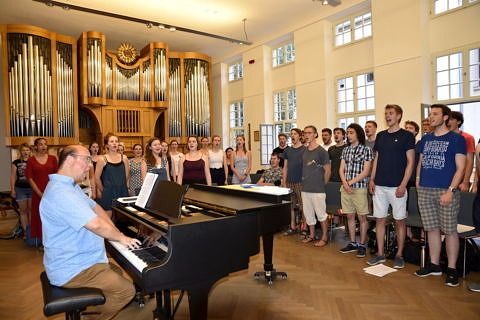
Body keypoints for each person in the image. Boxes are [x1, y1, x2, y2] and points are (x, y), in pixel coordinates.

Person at [40, 144, 140, 320]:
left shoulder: (70, 186)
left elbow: (96, 207)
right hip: (72, 268)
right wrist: (122, 238)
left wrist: (116, 232)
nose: (90, 165)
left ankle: (95, 308)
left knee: (115, 272)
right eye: (86, 160)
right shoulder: (60, 192)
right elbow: (95, 225)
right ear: (70, 159)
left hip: (83, 259)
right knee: (126, 291)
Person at [414, 104, 466, 287]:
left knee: (450, 231)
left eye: (435, 114)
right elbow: (420, 162)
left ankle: (452, 269)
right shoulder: (426, 138)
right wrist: (418, 180)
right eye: (430, 114)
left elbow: (461, 168)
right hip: (426, 189)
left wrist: (451, 190)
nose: (430, 117)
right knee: (431, 229)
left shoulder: (456, 139)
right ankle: (434, 265)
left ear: (445, 117)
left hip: (446, 191)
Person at [367, 105, 415, 268]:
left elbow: (410, 162)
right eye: (386, 113)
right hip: (379, 185)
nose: (388, 116)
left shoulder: (407, 136)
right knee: (380, 220)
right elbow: (377, 159)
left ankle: (399, 255)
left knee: (399, 221)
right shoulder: (381, 135)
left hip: (397, 187)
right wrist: (372, 179)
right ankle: (380, 254)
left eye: (391, 113)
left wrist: (403, 184)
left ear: (399, 116)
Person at [338, 124, 374, 257]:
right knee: (349, 216)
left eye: (351, 132)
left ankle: (362, 244)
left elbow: (366, 172)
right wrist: (345, 184)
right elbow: (341, 169)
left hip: (359, 188)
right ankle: (353, 242)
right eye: (347, 133)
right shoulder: (345, 150)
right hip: (346, 188)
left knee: (362, 217)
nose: (348, 135)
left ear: (358, 134)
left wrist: (350, 183)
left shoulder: (366, 150)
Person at [301, 125, 331, 247]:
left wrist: (322, 185)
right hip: (305, 188)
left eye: (309, 133)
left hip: (318, 189)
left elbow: (328, 171)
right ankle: (312, 235)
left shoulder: (321, 152)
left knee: (321, 214)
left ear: (315, 134)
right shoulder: (304, 151)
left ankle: (324, 237)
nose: (307, 135)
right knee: (308, 214)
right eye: (305, 133)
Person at [26, 138, 58, 245]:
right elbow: (30, 178)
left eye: (45, 144)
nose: (43, 146)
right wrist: (40, 193)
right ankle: (42, 242)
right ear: (36, 146)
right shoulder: (31, 160)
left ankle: (52, 241)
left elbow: (56, 176)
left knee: (52, 217)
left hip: (52, 193)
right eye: (40, 144)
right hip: (38, 194)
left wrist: (52, 192)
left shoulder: (53, 158)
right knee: (39, 217)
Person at [95, 133, 130, 218]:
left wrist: (125, 187)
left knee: (123, 219)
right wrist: (103, 190)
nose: (114, 143)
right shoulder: (102, 159)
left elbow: (127, 175)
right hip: (108, 192)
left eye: (116, 141)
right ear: (107, 144)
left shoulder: (124, 158)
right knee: (108, 220)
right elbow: (96, 178)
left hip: (122, 190)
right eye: (112, 141)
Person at [282, 128, 306, 236]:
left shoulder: (305, 149)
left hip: (300, 182)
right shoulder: (287, 150)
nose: (293, 136)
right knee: (292, 206)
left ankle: (304, 228)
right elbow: (285, 167)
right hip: (289, 182)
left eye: (295, 134)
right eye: (291, 134)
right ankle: (292, 226)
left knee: (303, 206)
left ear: (300, 136)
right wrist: (284, 181)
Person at [448, 111, 475, 192]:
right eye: (447, 119)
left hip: (460, 179)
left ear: (458, 122)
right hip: (446, 178)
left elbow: (470, 161)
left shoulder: (467, 137)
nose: (448, 122)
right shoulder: (444, 136)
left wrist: (465, 181)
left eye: (451, 119)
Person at [10, 143, 33, 238]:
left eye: (27, 150)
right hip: (20, 189)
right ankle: (26, 232)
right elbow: (13, 177)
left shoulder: (33, 161)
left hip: (32, 189)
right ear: (20, 152)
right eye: (23, 150)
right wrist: (12, 190)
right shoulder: (15, 162)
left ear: (30, 151)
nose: (25, 152)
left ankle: (32, 232)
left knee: (31, 211)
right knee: (23, 211)